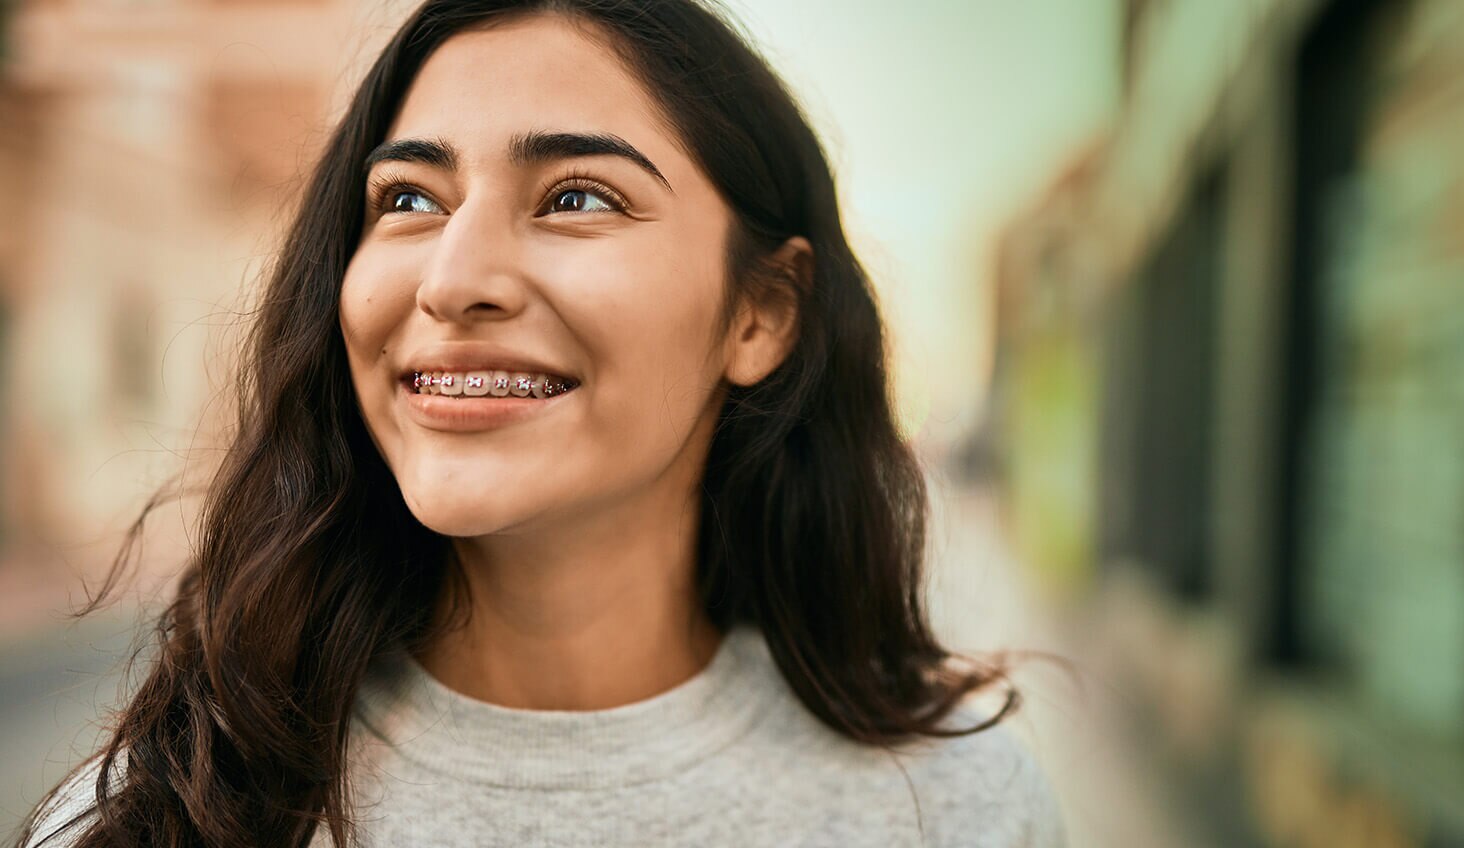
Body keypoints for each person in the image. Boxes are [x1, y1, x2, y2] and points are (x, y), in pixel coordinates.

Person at [15, 1, 1067, 845]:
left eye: (576, 197)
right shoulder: (165, 818)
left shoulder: (957, 809)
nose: (452, 278)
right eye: (409, 200)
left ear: (761, 313)